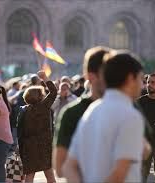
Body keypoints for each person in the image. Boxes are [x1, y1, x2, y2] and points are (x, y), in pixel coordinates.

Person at [62, 51, 145, 182]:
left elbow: (68, 167)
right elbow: (118, 175)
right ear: (130, 78)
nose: (142, 85)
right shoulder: (130, 116)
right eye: (141, 78)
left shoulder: (92, 110)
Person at [53, 46, 109, 177]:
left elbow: (144, 152)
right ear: (90, 76)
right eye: (108, 75)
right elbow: (60, 167)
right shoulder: (72, 113)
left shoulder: (127, 107)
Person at [18, 71, 57, 183]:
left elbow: (21, 131)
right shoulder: (44, 106)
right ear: (40, 96)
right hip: (44, 145)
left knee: (29, 176)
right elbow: (54, 91)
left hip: (29, 146)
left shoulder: (24, 110)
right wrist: (45, 77)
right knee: (50, 176)